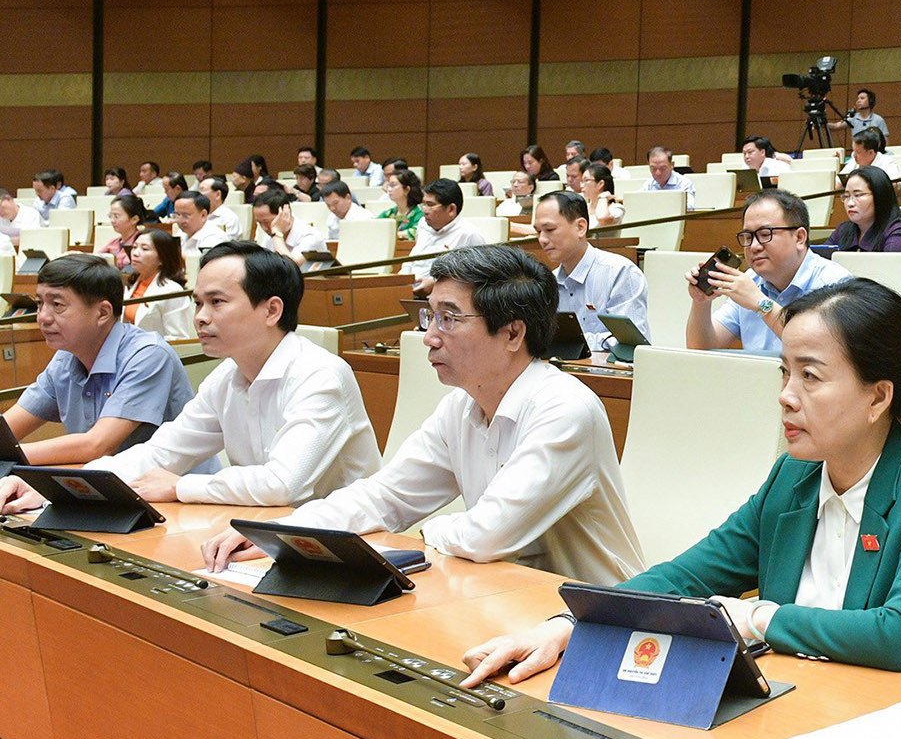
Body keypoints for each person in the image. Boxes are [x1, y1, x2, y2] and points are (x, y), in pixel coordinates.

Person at [459, 277, 901, 694]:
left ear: (878, 397)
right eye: (783, 373)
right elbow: (690, 574)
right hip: (809, 704)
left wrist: (757, 615)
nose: (786, 396)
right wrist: (569, 623)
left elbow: (900, 635)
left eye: (810, 377)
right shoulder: (794, 477)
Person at [202, 244, 643, 584]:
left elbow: (485, 536)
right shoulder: (461, 405)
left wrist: (417, 538)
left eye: (449, 319)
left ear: (512, 333)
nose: (429, 338)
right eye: (428, 318)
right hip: (500, 591)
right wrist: (283, 531)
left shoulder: (564, 408)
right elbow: (386, 497)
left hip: (589, 618)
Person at [72, 242, 382, 506]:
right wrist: (73, 487)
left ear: (272, 310)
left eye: (217, 302)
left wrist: (180, 487)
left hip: (347, 543)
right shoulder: (225, 378)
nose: (201, 318)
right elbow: (162, 452)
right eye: (198, 303)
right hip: (262, 528)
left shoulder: (321, 375)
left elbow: (282, 484)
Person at [0, 254, 194, 469]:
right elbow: (9, 429)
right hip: (109, 489)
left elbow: (98, 446)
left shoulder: (148, 355)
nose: (43, 317)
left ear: (102, 313)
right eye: (39, 303)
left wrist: (10, 454)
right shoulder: (65, 358)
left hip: (178, 492)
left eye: (57, 304)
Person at [688, 189, 848, 355]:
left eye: (765, 234)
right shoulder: (751, 280)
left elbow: (818, 353)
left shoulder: (836, 284)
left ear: (799, 237)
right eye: (748, 237)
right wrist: (701, 302)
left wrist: (760, 304)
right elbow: (701, 349)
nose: (754, 246)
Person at [533, 190, 647, 351]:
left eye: (550, 229)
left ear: (580, 227)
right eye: (538, 232)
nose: (542, 239)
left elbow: (630, 344)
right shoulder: (548, 281)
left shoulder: (620, 273)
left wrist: (573, 343)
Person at [407, 178, 488, 291]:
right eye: (423, 204)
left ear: (451, 209)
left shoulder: (469, 234)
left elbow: (478, 278)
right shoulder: (422, 225)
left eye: (430, 205)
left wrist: (435, 283)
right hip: (410, 290)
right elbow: (411, 261)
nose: (424, 210)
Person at [826, 165, 901, 253]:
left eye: (858, 195)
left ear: (879, 196)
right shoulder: (843, 230)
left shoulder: (898, 232)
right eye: (846, 196)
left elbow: (891, 267)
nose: (850, 203)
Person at [124, 228, 195, 339]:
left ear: (162, 258)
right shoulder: (131, 284)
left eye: (145, 249)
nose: (135, 253)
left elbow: (178, 337)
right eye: (134, 247)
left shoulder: (172, 291)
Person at [252, 190, 330, 270]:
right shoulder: (271, 234)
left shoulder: (311, 236)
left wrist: (277, 233)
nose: (264, 228)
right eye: (259, 223)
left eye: (267, 222)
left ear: (285, 214)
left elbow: (290, 268)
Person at [99, 193, 148, 269]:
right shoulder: (114, 242)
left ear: (134, 219)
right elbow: (95, 257)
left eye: (116, 216)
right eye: (110, 216)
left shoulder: (142, 242)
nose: (112, 220)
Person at [172, 191, 224, 261]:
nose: (180, 220)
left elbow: (202, 265)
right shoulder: (181, 232)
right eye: (177, 214)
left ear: (203, 215)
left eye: (185, 215)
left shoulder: (215, 238)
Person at [380, 169, 425, 239]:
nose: (389, 189)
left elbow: (417, 232)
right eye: (388, 185)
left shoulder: (420, 213)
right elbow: (373, 227)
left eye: (393, 185)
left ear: (406, 189)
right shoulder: (388, 213)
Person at [579, 163, 624, 230]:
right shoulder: (583, 207)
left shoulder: (616, 208)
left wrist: (603, 197)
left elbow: (602, 218)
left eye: (586, 180)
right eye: (581, 181)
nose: (581, 186)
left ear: (600, 184)